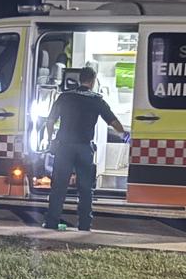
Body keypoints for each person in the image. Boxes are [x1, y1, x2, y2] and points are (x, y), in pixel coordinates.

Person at [43, 67, 129, 231]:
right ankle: (84, 225)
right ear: (93, 80)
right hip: (84, 149)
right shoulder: (97, 100)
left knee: (59, 187)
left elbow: (50, 121)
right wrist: (125, 136)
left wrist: (49, 140)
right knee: (85, 189)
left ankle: (51, 222)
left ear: (79, 79)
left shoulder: (65, 97)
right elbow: (113, 121)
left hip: (64, 147)